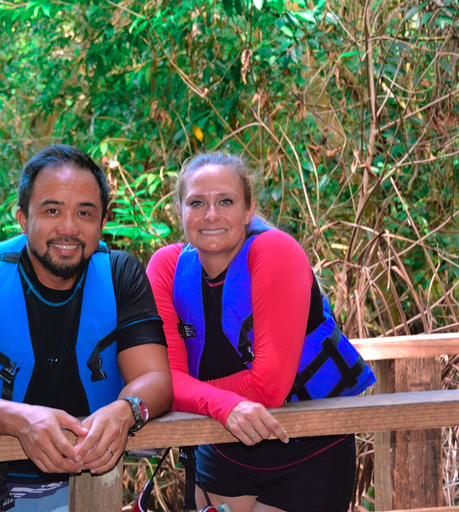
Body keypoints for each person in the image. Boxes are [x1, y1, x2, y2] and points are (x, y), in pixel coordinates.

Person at [0, 144, 173, 512]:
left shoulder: (121, 274)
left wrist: (126, 410)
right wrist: (22, 420)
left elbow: (156, 379)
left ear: (102, 222)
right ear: (23, 218)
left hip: (86, 487)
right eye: (52, 210)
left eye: (85, 213)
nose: (69, 228)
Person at [146, 152, 376, 512]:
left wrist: (187, 393)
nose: (211, 214)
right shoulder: (166, 267)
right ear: (180, 212)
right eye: (196, 202)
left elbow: (268, 386)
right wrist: (219, 403)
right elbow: (166, 380)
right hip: (221, 447)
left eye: (226, 201)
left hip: (308, 447)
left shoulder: (274, 250)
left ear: (248, 209)